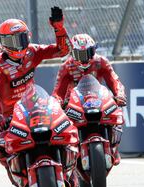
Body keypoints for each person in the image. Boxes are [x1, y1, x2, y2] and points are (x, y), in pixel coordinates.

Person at [0, 7, 79, 187]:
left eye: (21, 38)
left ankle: (70, 170)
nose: (18, 45)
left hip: (34, 106)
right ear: (2, 43)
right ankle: (19, 180)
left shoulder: (32, 52)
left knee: (65, 128)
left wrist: (59, 27)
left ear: (27, 37)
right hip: (13, 117)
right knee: (1, 147)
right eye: (12, 40)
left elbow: (63, 50)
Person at [52, 33, 126, 165]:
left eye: (88, 52)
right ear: (73, 54)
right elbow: (58, 92)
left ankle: (114, 148)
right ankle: (70, 161)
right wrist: (57, 104)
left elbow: (115, 81)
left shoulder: (101, 62)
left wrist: (119, 94)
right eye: (80, 54)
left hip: (98, 100)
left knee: (117, 115)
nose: (84, 58)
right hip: (74, 105)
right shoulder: (66, 67)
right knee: (62, 128)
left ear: (94, 50)